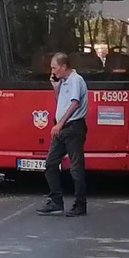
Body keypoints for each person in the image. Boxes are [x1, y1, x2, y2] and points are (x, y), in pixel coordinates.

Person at [37, 52, 89, 217]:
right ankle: (56, 201)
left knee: (75, 167)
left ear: (64, 66)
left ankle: (80, 204)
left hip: (72, 128)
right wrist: (56, 89)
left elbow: (75, 103)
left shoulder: (75, 80)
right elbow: (61, 103)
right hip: (61, 128)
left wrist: (59, 124)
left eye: (54, 67)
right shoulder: (65, 82)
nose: (52, 71)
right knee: (50, 164)